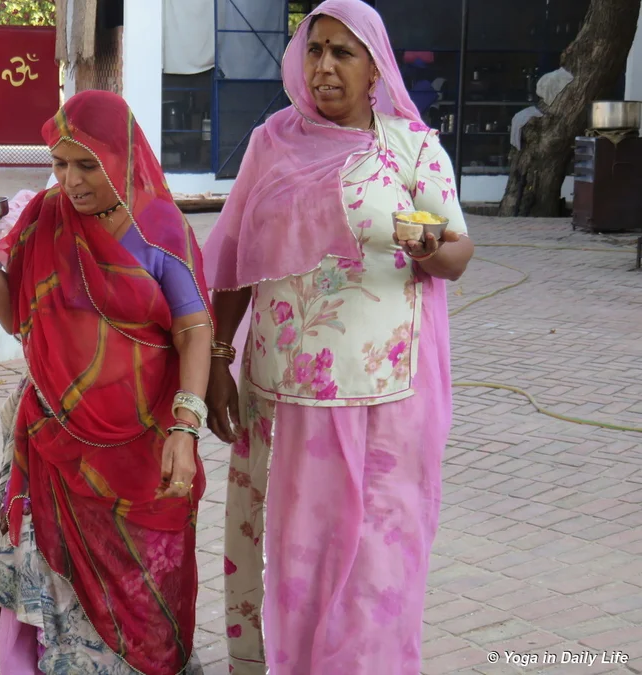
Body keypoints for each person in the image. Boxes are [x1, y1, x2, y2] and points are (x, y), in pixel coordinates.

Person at [203, 2, 475, 673]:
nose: (323, 66)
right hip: (284, 396)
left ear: (374, 66)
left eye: (341, 53)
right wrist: (216, 360)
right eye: (314, 49)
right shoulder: (271, 141)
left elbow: (458, 250)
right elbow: (235, 255)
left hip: (386, 401)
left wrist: (428, 247)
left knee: (376, 559)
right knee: (297, 553)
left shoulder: (410, 147)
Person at [0, 90, 213, 674]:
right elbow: (16, 318)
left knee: (140, 576)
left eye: (86, 165)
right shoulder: (46, 217)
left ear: (122, 158)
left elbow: (194, 328)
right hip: (50, 431)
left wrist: (186, 426)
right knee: (49, 566)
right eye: (59, 163)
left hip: (143, 439)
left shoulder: (159, 228)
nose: (69, 180)